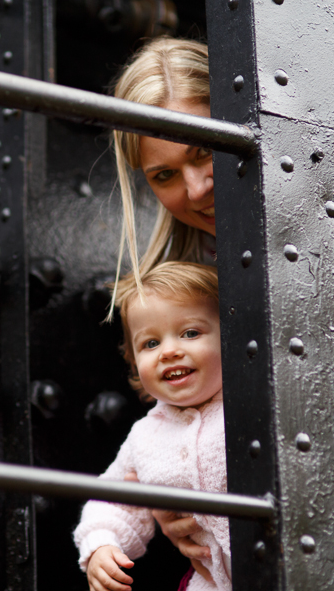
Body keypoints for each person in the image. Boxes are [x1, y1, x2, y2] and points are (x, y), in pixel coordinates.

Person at [106, 37, 219, 580]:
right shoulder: (170, 286)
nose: (196, 190)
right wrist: (165, 494)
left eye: (206, 150)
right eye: (165, 175)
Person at [74, 262, 228, 591]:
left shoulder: (253, 404)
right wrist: (102, 544)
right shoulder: (145, 437)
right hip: (211, 583)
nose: (170, 351)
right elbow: (113, 500)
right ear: (133, 361)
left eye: (190, 333)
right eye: (150, 344)